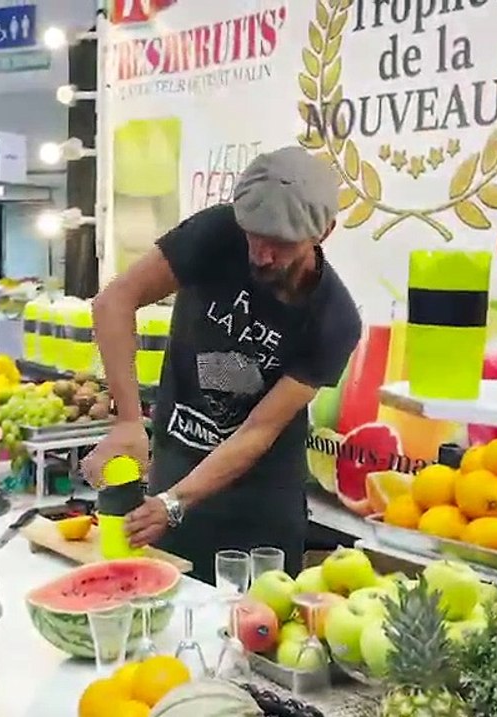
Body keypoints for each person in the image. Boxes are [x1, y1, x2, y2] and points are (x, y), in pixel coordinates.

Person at [83, 146, 363, 584]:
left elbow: (258, 430)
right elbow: (114, 301)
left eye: (282, 243)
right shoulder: (216, 233)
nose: (262, 254)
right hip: (176, 461)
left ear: (323, 232)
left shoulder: (333, 319)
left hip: (260, 505)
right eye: (255, 234)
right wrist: (128, 421)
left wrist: (175, 503)